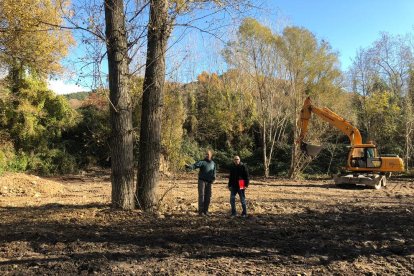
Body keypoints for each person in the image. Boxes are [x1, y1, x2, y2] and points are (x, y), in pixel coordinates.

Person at [186, 150, 216, 216]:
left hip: (209, 182)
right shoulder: (202, 162)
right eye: (205, 154)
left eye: (208, 154)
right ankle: (201, 212)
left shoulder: (213, 163)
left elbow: (214, 172)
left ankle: (206, 211)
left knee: (208, 197)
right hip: (202, 181)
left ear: (211, 155)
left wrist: (214, 178)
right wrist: (189, 166)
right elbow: (194, 165)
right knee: (202, 196)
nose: (206, 155)